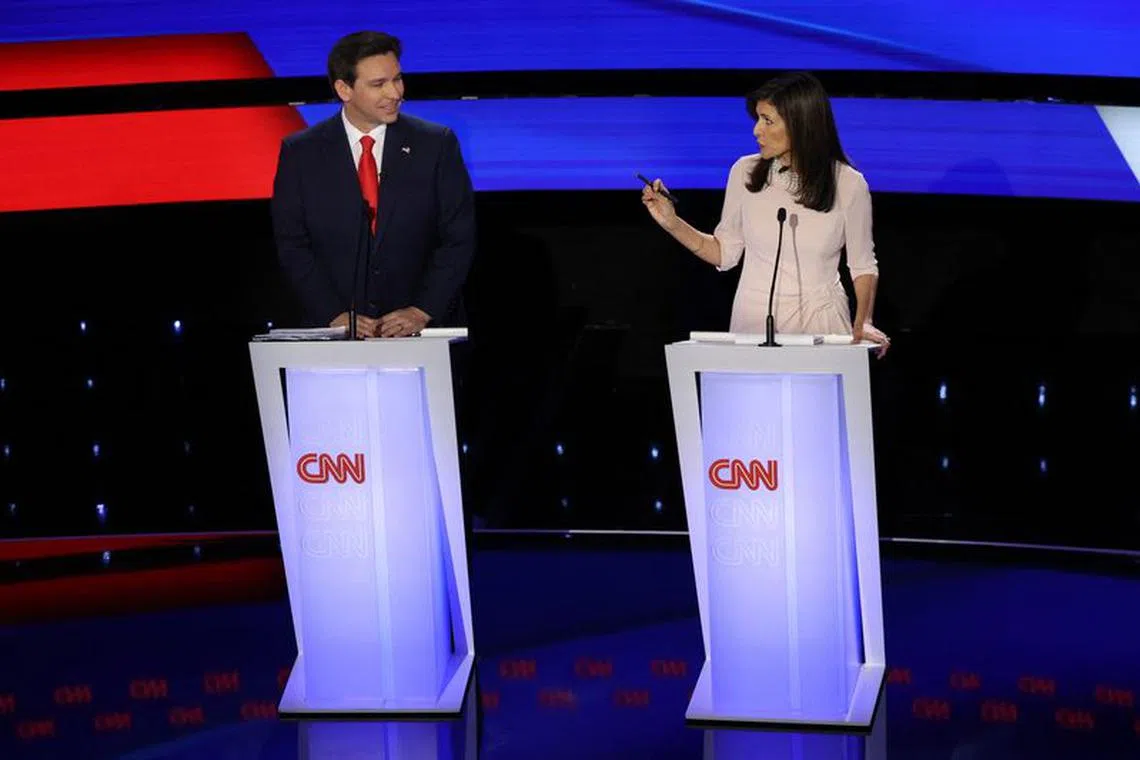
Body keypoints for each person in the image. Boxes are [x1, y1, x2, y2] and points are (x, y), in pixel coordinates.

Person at [642, 71, 889, 356]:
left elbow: (862, 265)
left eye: (768, 120)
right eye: (758, 118)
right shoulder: (744, 172)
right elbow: (725, 253)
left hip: (822, 327)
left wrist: (864, 322)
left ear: (802, 124)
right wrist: (672, 223)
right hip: (754, 324)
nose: (756, 130)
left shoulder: (848, 183)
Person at [271, 30, 476, 337]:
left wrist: (422, 310)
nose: (395, 93)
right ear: (344, 89)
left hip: (420, 334)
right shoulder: (301, 153)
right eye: (379, 84)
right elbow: (292, 244)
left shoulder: (436, 145)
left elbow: (458, 238)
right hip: (332, 337)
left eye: (397, 79)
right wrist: (333, 314)